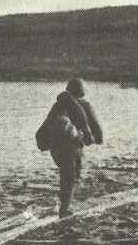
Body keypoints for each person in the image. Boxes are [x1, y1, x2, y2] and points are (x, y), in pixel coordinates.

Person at [41, 78, 102, 217]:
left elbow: (47, 126)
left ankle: (64, 205)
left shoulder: (58, 105)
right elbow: (98, 134)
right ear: (82, 93)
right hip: (71, 146)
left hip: (55, 148)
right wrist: (92, 139)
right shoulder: (84, 105)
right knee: (72, 176)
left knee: (66, 175)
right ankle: (64, 209)